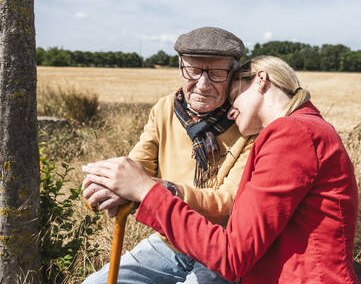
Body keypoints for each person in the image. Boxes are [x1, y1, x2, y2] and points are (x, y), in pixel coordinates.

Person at [83, 55, 360, 283]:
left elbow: (231, 255)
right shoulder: (302, 128)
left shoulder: (293, 133)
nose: (230, 111)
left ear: (261, 80)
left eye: (234, 97)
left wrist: (148, 190)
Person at [82, 27, 255, 284]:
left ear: (233, 75)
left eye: (217, 74)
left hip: (222, 248)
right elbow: (138, 163)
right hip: (171, 243)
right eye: (193, 71)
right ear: (180, 68)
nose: (203, 84)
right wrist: (109, 182)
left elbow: (226, 205)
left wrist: (152, 189)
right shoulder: (166, 108)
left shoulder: (249, 121)